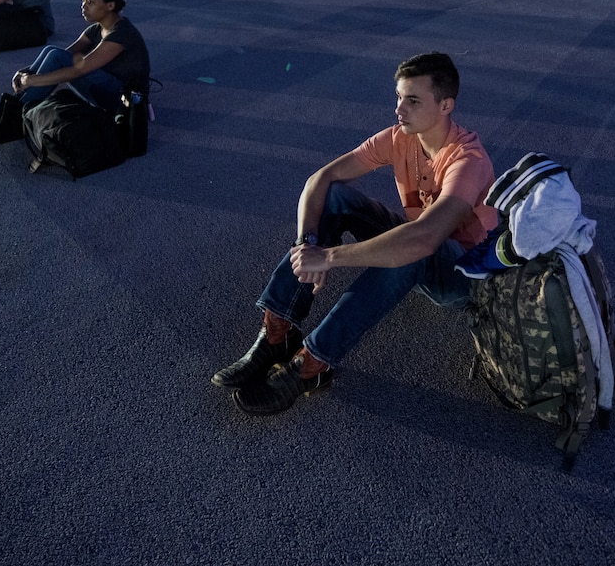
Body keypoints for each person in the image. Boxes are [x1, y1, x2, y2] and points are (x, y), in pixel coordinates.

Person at [211, 51, 497, 415]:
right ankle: (277, 333)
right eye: (398, 97)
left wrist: (329, 258)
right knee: (336, 197)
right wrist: (306, 245)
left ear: (445, 105)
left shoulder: (466, 160)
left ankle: (313, 363)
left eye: (412, 100)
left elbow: (426, 237)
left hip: (460, 276)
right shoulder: (400, 138)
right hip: (420, 243)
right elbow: (320, 179)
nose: (399, 109)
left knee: (413, 246)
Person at [0, 0, 149, 146]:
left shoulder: (121, 34)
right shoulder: (96, 29)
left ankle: (15, 121)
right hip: (105, 87)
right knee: (52, 50)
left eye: (90, 2)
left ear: (110, 5)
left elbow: (78, 70)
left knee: (58, 58)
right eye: (83, 1)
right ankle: (8, 115)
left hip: (124, 101)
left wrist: (31, 81)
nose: (83, 7)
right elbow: (64, 54)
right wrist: (25, 72)